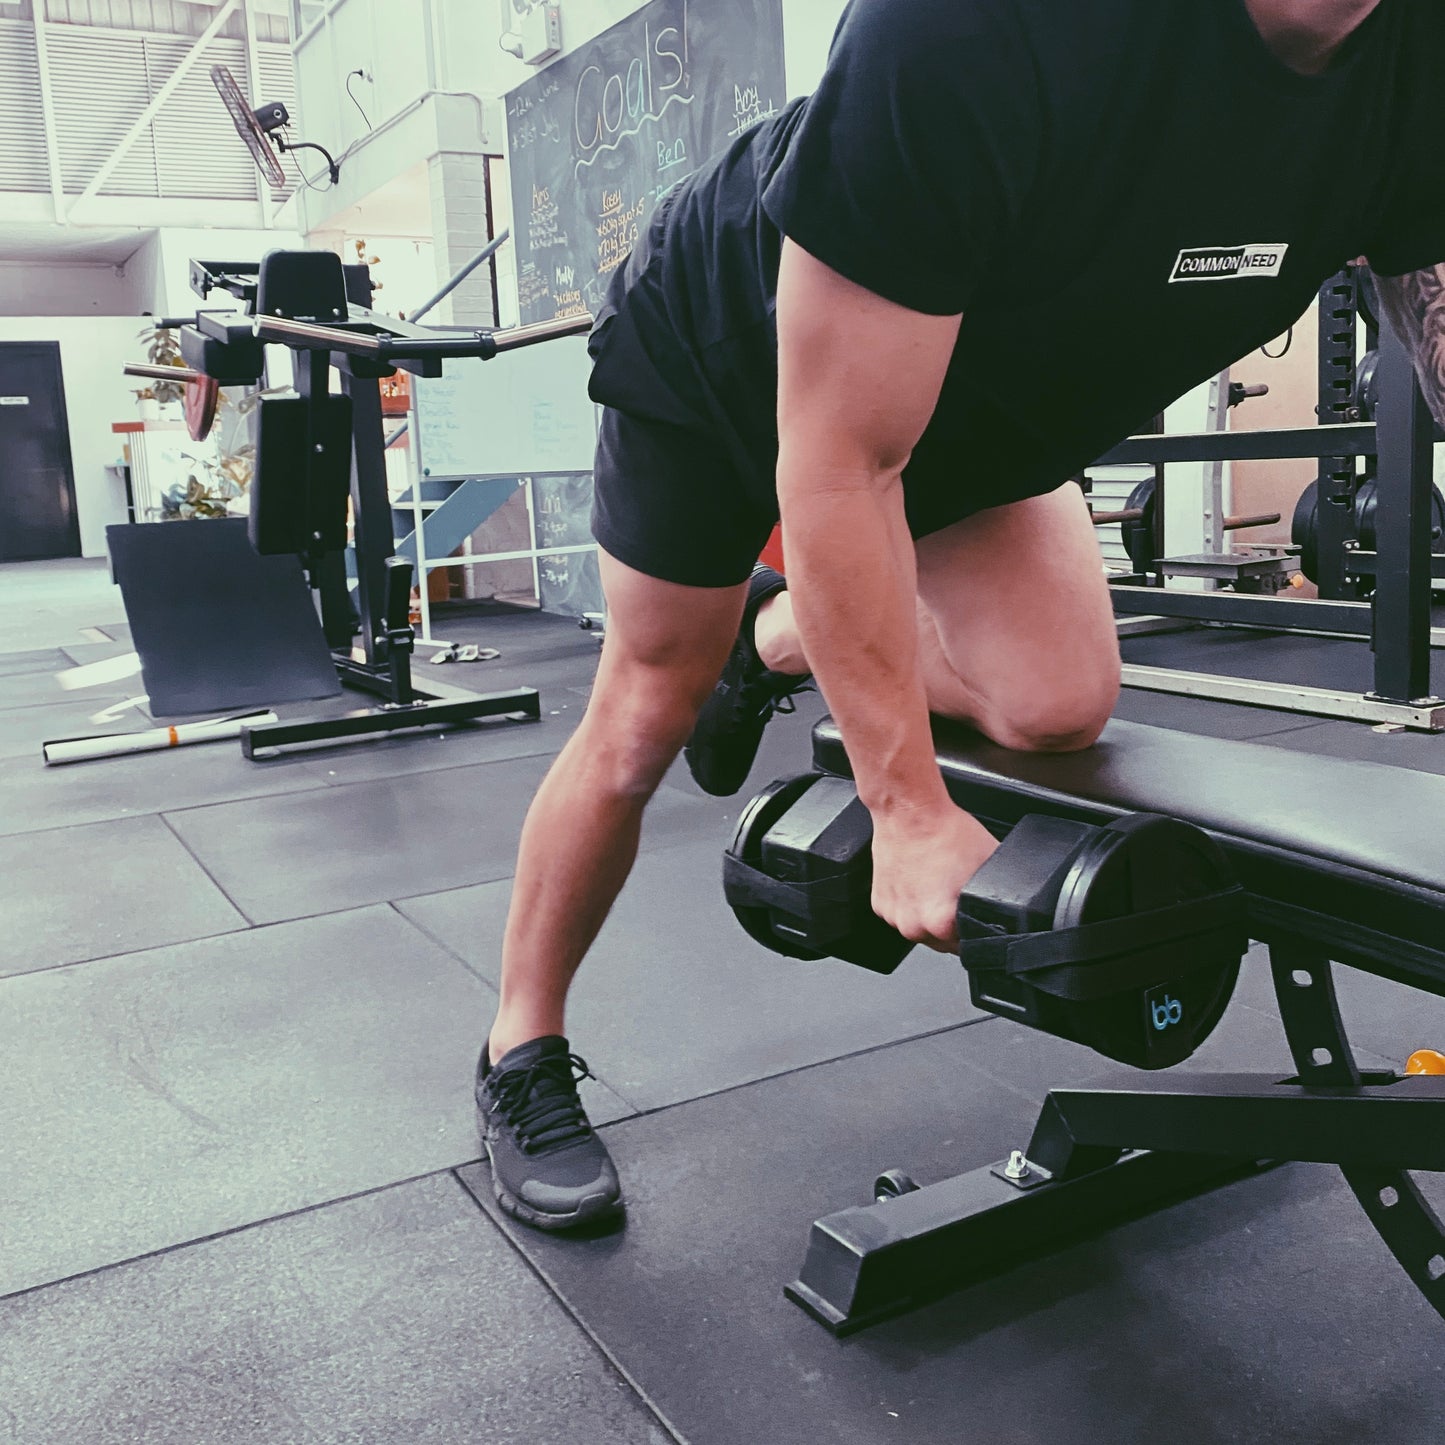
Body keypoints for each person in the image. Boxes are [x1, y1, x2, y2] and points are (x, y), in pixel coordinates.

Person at [475, 0, 1445, 1231]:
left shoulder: (1415, 60)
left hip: (983, 405)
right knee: (640, 716)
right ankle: (519, 1044)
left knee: (1053, 704)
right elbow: (837, 463)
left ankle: (773, 638)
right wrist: (903, 803)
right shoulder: (977, 23)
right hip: (732, 353)